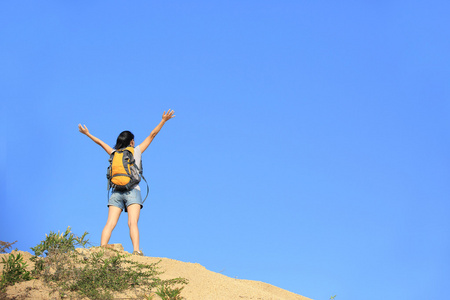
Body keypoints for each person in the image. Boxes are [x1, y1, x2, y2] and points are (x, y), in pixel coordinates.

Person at [78, 109, 175, 255]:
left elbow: (99, 143)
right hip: (133, 190)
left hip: (116, 191)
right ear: (131, 141)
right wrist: (163, 120)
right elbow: (152, 135)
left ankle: (101, 248)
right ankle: (136, 251)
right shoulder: (136, 151)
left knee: (110, 223)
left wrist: (87, 134)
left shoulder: (113, 153)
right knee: (132, 223)